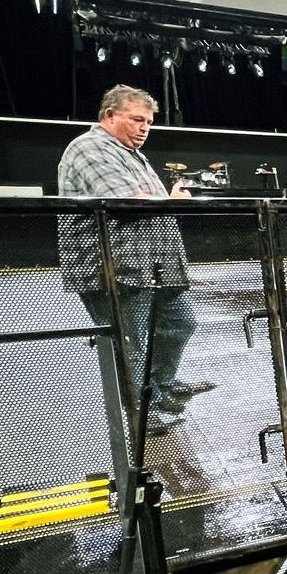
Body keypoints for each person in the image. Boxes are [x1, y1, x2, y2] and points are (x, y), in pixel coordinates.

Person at [57, 85, 214, 435]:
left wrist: (165, 199)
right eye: (136, 119)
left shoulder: (131, 153)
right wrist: (169, 200)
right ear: (110, 116)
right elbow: (130, 201)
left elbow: (150, 201)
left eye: (149, 122)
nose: (144, 128)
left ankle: (158, 385)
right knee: (130, 344)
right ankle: (141, 412)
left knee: (181, 322)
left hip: (155, 264)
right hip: (115, 268)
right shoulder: (89, 147)